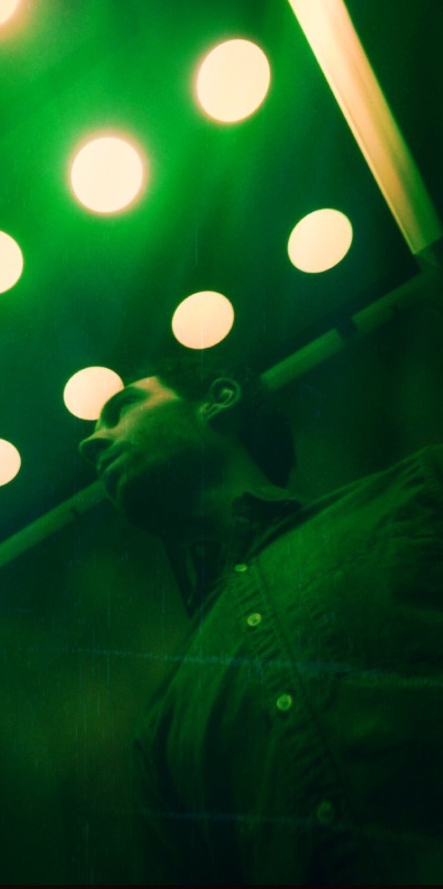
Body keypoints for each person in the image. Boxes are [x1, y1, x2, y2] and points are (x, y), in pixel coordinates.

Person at [78, 356, 443, 885]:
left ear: (219, 399)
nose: (91, 443)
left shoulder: (420, 492)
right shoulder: (160, 726)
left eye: (121, 409)